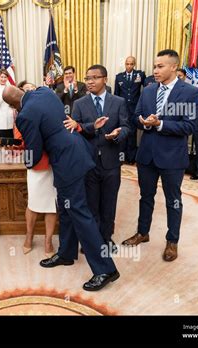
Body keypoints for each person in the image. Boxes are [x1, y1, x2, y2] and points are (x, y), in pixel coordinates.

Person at [2, 85, 119, 292]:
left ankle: (105, 269)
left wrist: (27, 161)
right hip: (79, 149)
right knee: (65, 209)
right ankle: (66, 253)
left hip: (67, 162)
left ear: (13, 106)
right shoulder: (45, 91)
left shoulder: (24, 115)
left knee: (81, 214)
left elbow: (35, 150)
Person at [121, 49, 198, 262]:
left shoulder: (189, 92)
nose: (155, 70)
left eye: (160, 66)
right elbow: (136, 116)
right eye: (155, 66)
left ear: (173, 67)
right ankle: (142, 232)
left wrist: (161, 124)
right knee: (145, 197)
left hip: (172, 157)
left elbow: (189, 126)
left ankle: (172, 240)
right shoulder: (147, 91)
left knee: (173, 200)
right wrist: (143, 121)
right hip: (146, 155)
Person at [66, 65, 130, 250]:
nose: (90, 81)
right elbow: (74, 129)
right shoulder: (79, 103)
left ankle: (106, 238)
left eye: (95, 77)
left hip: (111, 161)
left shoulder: (118, 102)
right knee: (90, 203)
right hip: (88, 162)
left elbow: (127, 127)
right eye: (87, 78)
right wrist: (91, 126)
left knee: (109, 203)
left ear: (105, 79)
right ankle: (91, 241)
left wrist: (118, 133)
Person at [15, 81, 56, 257]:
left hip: (53, 162)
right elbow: (19, 139)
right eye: (26, 90)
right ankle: (29, 236)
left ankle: (48, 241)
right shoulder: (22, 116)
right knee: (33, 203)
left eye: (33, 88)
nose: (31, 91)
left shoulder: (51, 108)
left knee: (51, 206)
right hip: (36, 164)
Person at [114, 56, 146, 164]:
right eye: (127, 64)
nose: (129, 66)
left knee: (132, 134)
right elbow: (116, 94)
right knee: (122, 133)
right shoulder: (119, 77)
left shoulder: (140, 75)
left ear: (134, 64)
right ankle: (122, 157)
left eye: (131, 64)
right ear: (125, 64)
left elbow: (145, 90)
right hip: (123, 110)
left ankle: (131, 158)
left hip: (135, 109)